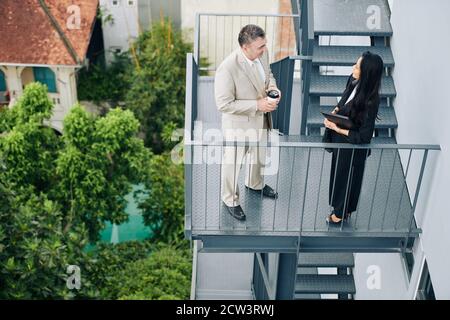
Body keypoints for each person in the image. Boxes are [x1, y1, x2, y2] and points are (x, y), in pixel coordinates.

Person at [215, 24, 281, 221]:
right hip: (239, 126)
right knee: (233, 164)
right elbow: (224, 104)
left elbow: (269, 77)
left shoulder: (263, 54)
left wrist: (274, 89)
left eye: (264, 44)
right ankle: (230, 199)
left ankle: (255, 183)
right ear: (245, 48)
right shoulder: (227, 68)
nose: (264, 49)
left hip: (261, 120)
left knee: (259, 157)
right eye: (260, 46)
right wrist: (257, 105)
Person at [323, 51, 383, 225]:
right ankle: (341, 208)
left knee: (347, 179)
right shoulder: (352, 80)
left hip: (352, 145)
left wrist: (336, 128)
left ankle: (340, 214)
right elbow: (343, 100)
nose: (353, 68)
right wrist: (335, 111)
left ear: (367, 74)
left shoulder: (371, 102)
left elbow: (364, 136)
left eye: (357, 67)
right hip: (341, 142)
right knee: (338, 175)